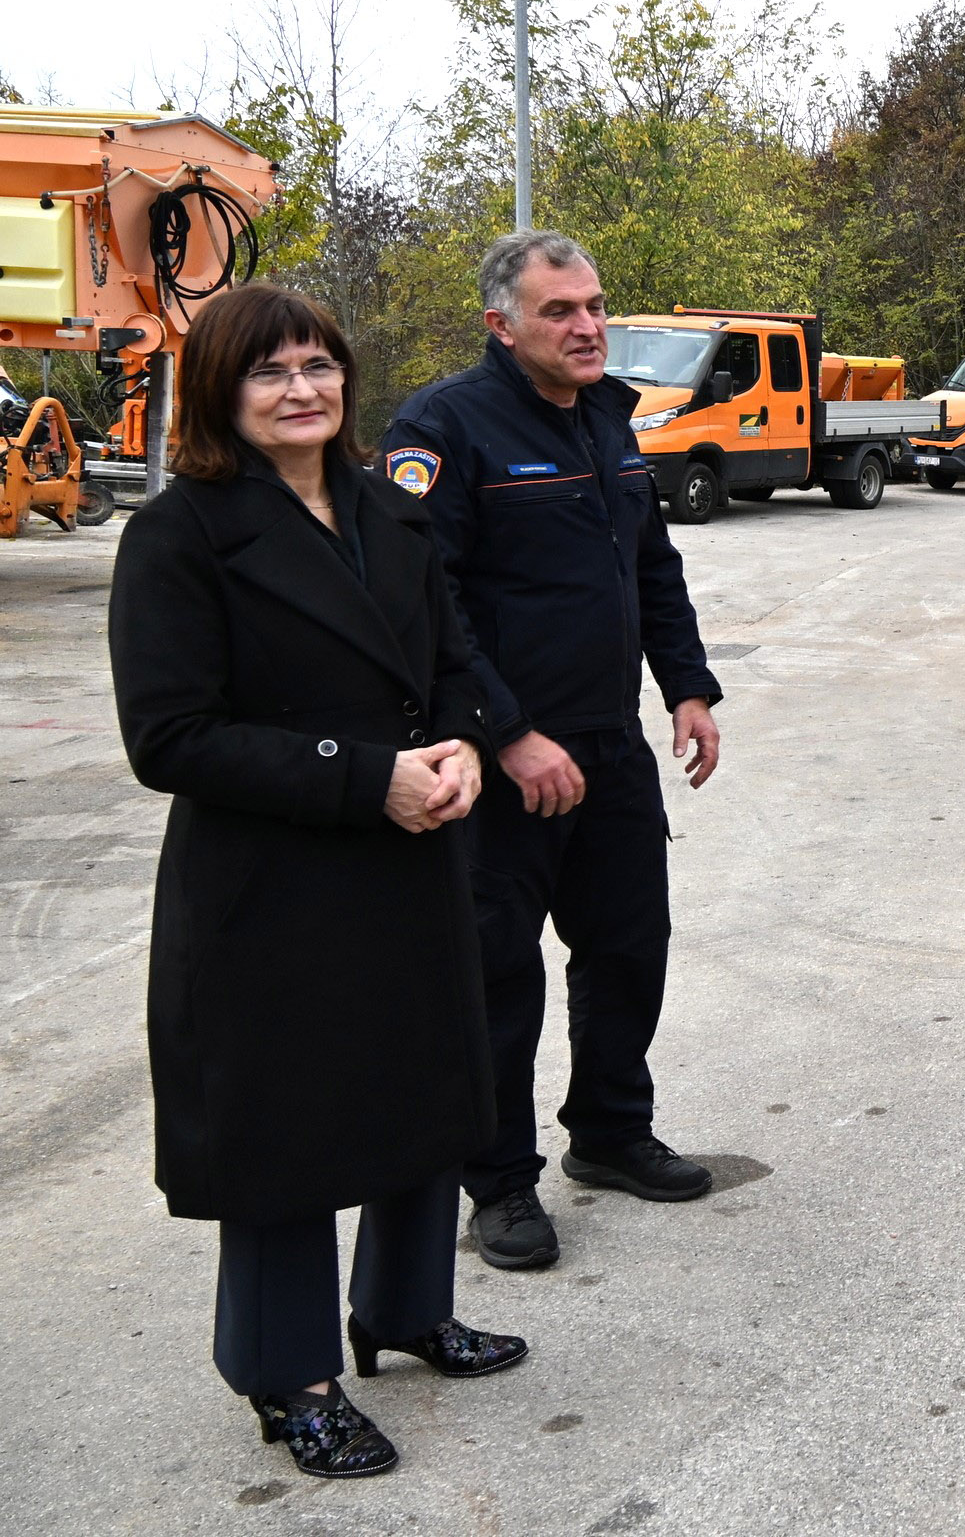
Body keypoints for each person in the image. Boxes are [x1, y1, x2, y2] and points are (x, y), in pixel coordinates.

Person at [108, 284, 528, 1480]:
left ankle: (404, 1310)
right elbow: (171, 737)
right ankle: (288, 1378)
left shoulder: (386, 515)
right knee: (282, 1136)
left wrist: (459, 747)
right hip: (270, 888)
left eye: (320, 365)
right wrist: (368, 778)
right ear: (221, 396)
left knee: (424, 1090)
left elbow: (449, 657)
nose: (303, 390)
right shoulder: (180, 537)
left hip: (407, 861)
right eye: (271, 372)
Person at [382, 232, 725, 1272]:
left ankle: (611, 1133)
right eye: (558, 311)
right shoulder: (443, 428)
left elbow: (649, 566)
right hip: (495, 766)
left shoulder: (610, 418)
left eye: (594, 306)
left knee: (629, 947)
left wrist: (691, 685)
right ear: (501, 325)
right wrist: (509, 733)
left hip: (608, 749)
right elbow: (420, 602)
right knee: (495, 978)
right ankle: (498, 1183)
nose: (585, 326)